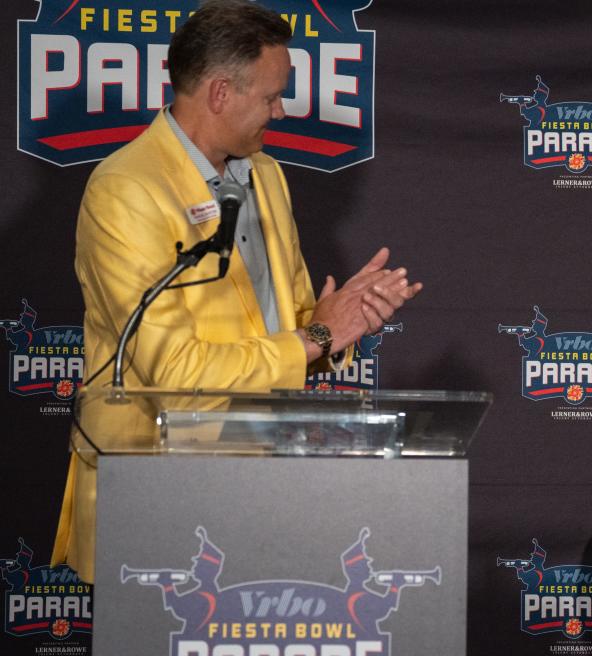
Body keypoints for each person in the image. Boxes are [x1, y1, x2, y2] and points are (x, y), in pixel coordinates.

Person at [52, 0, 421, 584]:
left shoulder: (266, 175)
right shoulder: (126, 190)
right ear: (221, 93)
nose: (281, 110)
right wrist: (319, 334)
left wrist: (341, 323)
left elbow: (291, 329)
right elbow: (171, 372)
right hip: (155, 489)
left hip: (261, 485)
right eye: (272, 96)